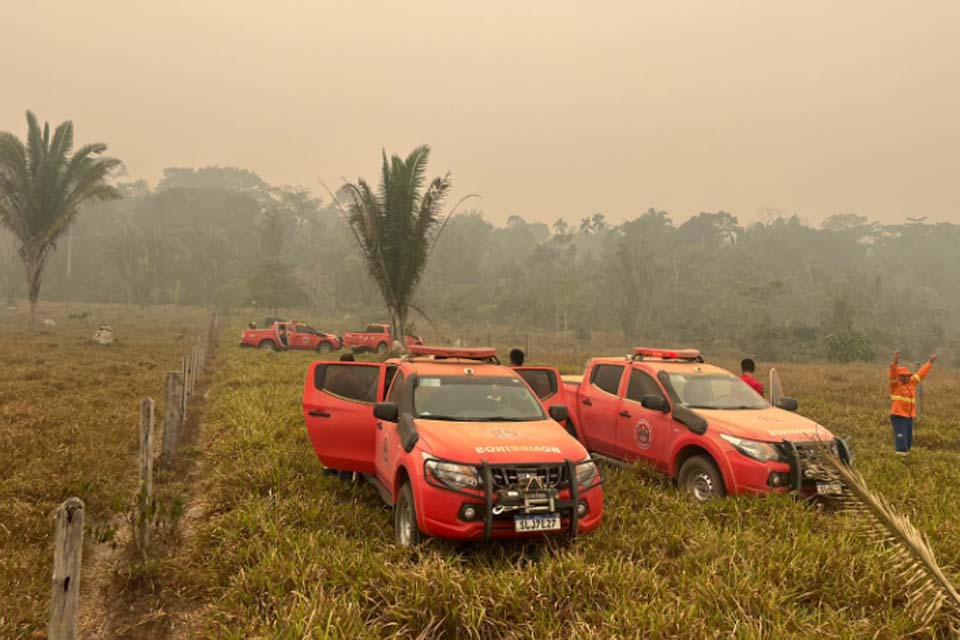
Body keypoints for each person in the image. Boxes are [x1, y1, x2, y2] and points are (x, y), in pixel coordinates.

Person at [889, 351, 936, 455]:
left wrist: (930, 363)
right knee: (901, 439)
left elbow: (921, 373)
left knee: (908, 440)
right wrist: (895, 361)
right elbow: (892, 373)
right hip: (898, 417)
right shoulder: (895, 385)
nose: (906, 377)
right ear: (899, 376)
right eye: (903, 376)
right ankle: (900, 458)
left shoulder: (912, 383)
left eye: (907, 375)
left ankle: (907, 457)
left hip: (909, 417)